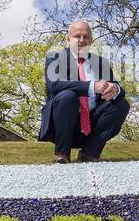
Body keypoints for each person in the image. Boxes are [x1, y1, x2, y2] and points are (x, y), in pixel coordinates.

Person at [37, 20, 130, 163]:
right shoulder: (54, 58)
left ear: (91, 40)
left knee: (121, 104)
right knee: (67, 96)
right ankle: (62, 154)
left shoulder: (101, 63)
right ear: (68, 39)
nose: (81, 40)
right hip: (62, 124)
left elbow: (119, 89)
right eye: (77, 36)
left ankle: (89, 153)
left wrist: (115, 89)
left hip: (92, 125)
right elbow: (54, 86)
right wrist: (92, 87)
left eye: (86, 36)